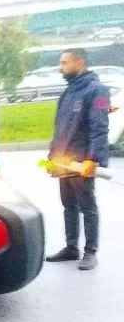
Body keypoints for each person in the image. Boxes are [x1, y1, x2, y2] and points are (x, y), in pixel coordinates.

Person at [45, 48, 110, 271]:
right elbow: (60, 128)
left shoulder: (97, 90)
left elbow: (99, 127)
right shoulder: (69, 91)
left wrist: (94, 158)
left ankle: (91, 251)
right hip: (64, 161)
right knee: (68, 205)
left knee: (87, 206)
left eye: (64, 63)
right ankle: (71, 247)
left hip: (82, 161)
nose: (60, 67)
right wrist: (52, 156)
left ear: (79, 63)